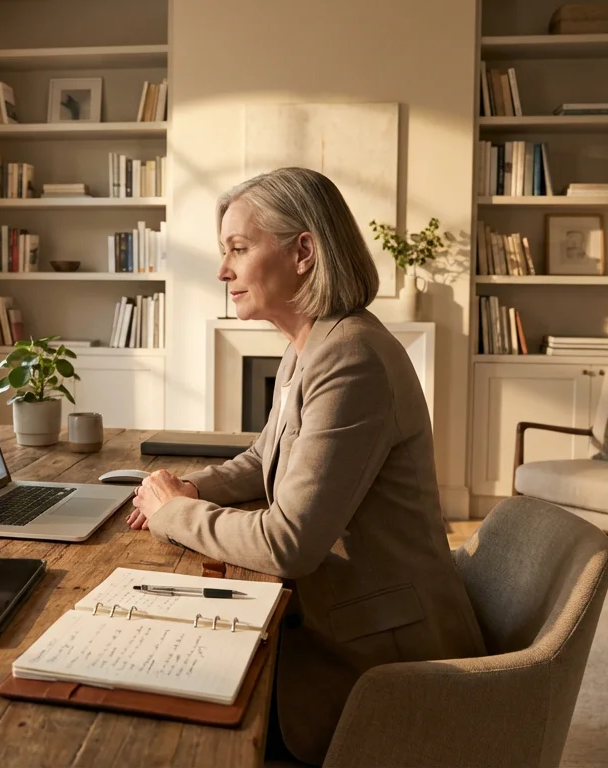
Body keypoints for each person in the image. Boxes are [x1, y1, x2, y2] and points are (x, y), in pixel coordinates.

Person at [128, 167, 486, 766]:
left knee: (178, 721)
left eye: (238, 250)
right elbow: (261, 458)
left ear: (304, 251)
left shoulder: (352, 357)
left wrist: (174, 513)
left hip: (384, 661)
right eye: (224, 252)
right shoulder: (311, 345)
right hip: (348, 620)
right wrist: (193, 485)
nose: (223, 271)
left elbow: (290, 543)